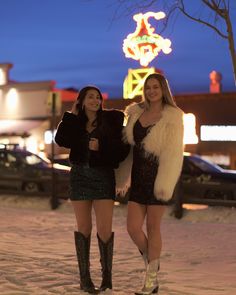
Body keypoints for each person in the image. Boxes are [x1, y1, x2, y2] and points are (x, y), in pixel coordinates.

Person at [55, 85, 129, 294]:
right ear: (82, 100)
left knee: (105, 229)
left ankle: (107, 278)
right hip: (79, 177)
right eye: (90, 97)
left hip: (103, 177)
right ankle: (85, 279)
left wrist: (101, 148)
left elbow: (123, 151)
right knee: (84, 227)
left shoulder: (112, 121)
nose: (95, 100)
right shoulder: (74, 122)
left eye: (98, 97)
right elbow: (60, 139)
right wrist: (73, 115)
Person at [122, 73, 184, 294]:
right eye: (147, 87)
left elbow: (175, 154)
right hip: (138, 178)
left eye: (155, 87)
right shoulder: (136, 112)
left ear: (163, 89)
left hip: (158, 178)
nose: (151, 91)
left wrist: (166, 183)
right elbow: (128, 148)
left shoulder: (173, 116)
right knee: (132, 228)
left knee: (152, 227)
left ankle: (150, 281)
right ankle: (153, 264)